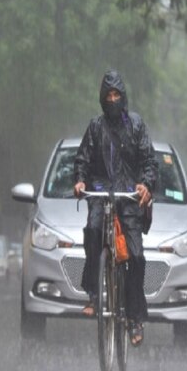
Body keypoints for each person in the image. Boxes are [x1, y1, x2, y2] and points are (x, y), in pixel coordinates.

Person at [73, 70, 158, 347]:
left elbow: (148, 160)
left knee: (136, 256)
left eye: (116, 95)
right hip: (100, 191)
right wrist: (80, 180)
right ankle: (95, 295)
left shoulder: (136, 125)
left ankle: (134, 318)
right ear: (102, 98)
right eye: (108, 95)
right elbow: (82, 159)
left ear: (123, 96)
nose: (112, 100)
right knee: (94, 229)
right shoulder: (95, 127)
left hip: (129, 196)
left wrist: (145, 184)